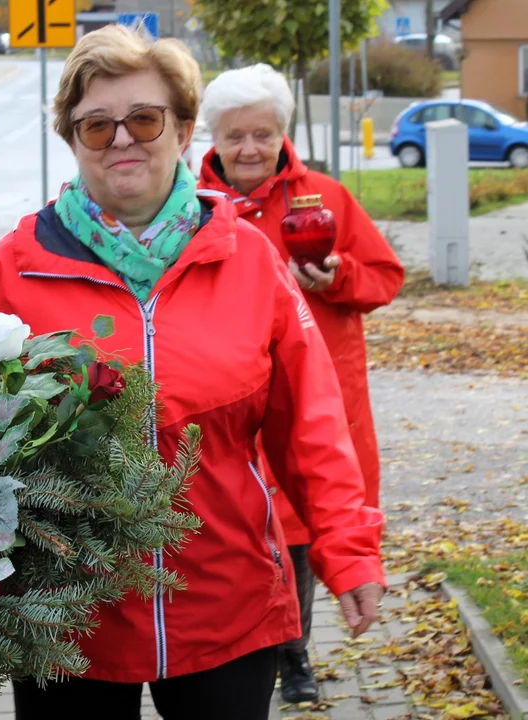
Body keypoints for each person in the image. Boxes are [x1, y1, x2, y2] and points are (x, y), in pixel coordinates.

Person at [0, 26, 386, 720]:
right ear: (72, 140)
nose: (121, 140)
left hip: (224, 602)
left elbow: (312, 426)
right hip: (68, 612)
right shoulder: (17, 268)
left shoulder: (249, 260)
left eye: (144, 118)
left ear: (185, 128)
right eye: (96, 126)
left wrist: (349, 552)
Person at [198, 64, 404, 704]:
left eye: (263, 134)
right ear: (213, 138)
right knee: (250, 535)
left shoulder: (325, 198)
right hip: (232, 400)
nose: (250, 149)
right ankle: (268, 652)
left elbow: (385, 277)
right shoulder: (194, 208)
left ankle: (296, 655)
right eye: (236, 137)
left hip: (315, 396)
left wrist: (338, 277)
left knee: (303, 533)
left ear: (283, 133)